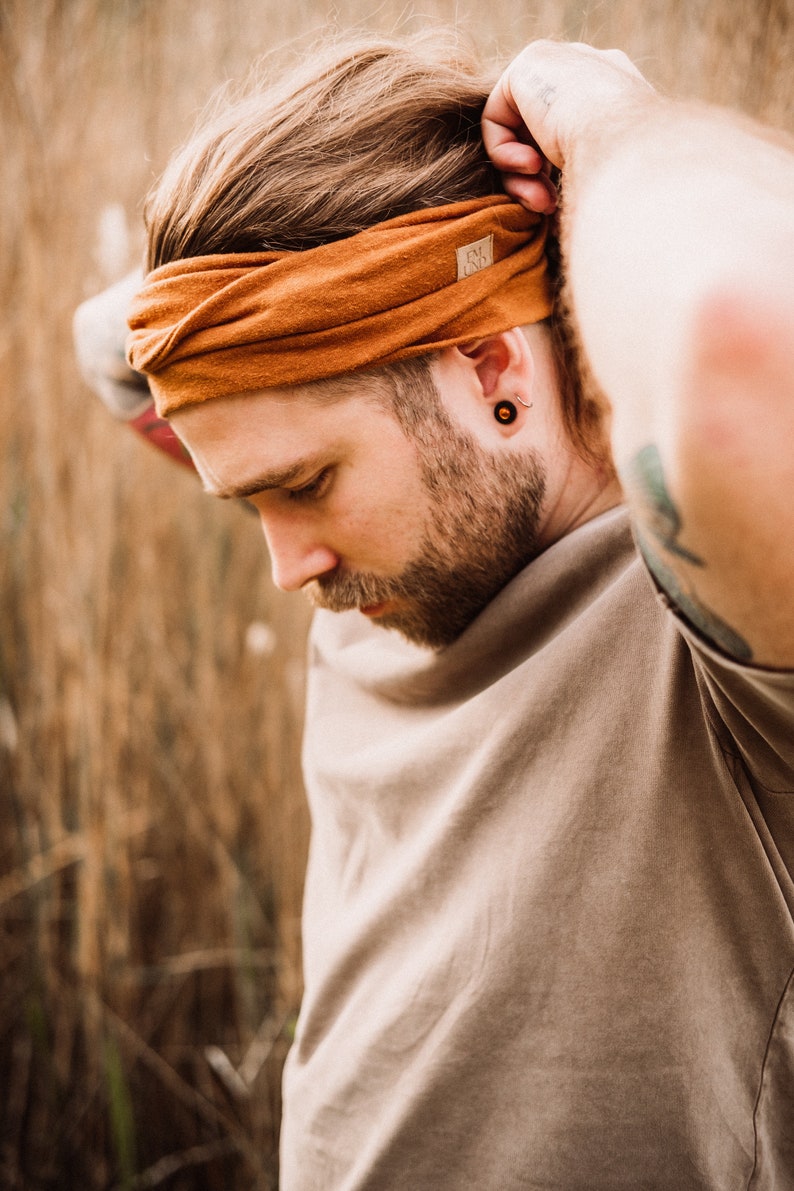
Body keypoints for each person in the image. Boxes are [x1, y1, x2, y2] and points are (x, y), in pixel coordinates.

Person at [75, 33, 794, 1190]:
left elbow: (742, 327)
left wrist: (600, 124)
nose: (286, 568)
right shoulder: (394, 573)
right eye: (250, 500)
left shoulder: (715, 633)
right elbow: (105, 352)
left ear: (493, 372)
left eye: (303, 482)